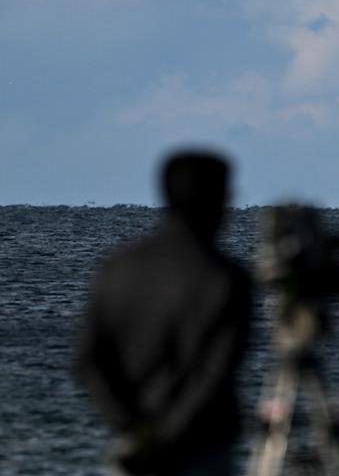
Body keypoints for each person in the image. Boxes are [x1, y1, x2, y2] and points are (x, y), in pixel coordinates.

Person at [74, 149, 252, 476]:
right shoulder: (226, 277)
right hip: (202, 449)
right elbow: (213, 373)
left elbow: (89, 362)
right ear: (219, 199)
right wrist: (169, 434)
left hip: (135, 448)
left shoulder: (118, 267)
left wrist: (134, 428)